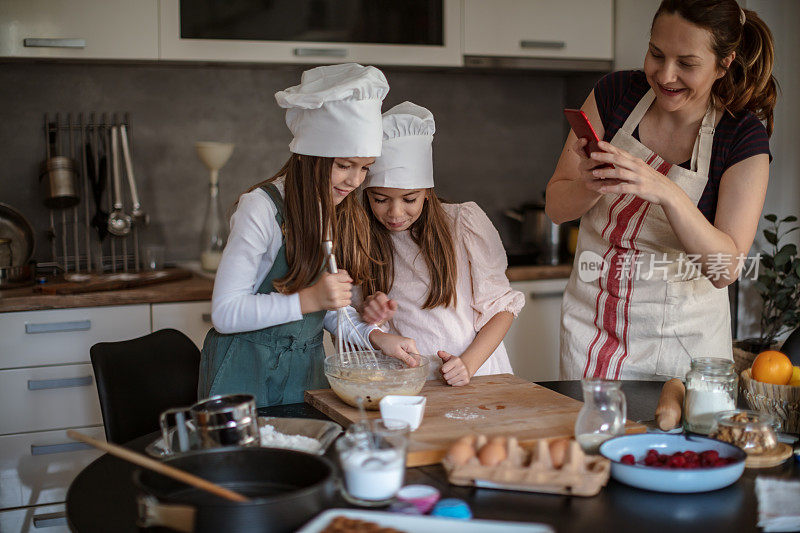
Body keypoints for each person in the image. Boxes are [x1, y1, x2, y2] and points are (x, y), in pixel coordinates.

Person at [546, 0, 776, 380]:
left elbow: (726, 267)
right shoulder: (615, 93)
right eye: (656, 54)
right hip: (590, 336)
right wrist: (590, 184)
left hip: (682, 350)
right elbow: (555, 207)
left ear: (724, 63)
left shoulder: (741, 136)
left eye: (687, 63)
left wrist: (666, 191)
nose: (665, 75)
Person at [198, 64, 419, 407]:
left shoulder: (338, 209)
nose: (354, 181)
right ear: (311, 157)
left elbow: (329, 312)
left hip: (306, 372)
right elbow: (226, 314)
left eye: (365, 167)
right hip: (243, 373)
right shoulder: (261, 208)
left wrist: (376, 337)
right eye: (344, 164)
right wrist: (309, 299)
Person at [356, 102, 524, 386]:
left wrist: (467, 365)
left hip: (478, 377)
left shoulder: (462, 224)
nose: (395, 213)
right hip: (411, 384)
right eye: (380, 199)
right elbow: (354, 326)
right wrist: (370, 313)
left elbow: (502, 309)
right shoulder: (363, 238)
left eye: (410, 199)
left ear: (428, 193)